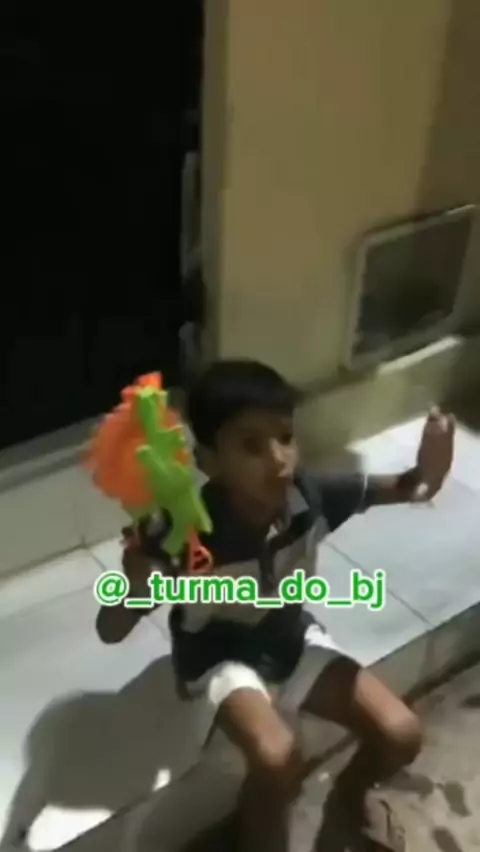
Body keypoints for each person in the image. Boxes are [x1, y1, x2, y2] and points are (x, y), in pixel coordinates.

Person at [96, 359, 455, 852]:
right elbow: (111, 628)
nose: (278, 459)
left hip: (290, 639)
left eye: (286, 437)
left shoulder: (308, 496)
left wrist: (432, 467)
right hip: (218, 658)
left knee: (401, 733)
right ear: (208, 460)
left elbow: (410, 486)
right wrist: (137, 583)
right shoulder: (183, 535)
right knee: (279, 755)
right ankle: (259, 835)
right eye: (251, 446)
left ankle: (347, 799)